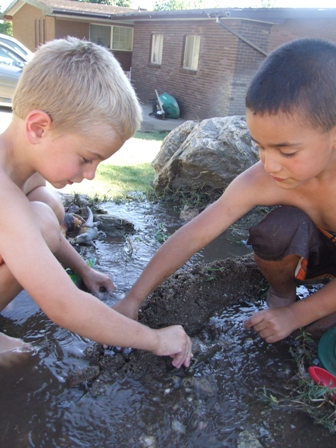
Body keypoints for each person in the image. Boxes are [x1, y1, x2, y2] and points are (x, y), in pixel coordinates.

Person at [114, 38, 336, 344]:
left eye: (286, 151)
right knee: (278, 229)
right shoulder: (264, 178)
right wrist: (133, 297)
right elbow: (195, 233)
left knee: (314, 331)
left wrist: (298, 316)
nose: (269, 165)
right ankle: (283, 295)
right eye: (260, 146)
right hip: (321, 251)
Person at [0, 37, 192, 369]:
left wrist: (84, 269)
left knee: (45, 207)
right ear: (38, 128)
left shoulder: (21, 170)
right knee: (41, 219)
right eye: (87, 158)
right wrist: (156, 338)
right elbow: (63, 304)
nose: (91, 174)